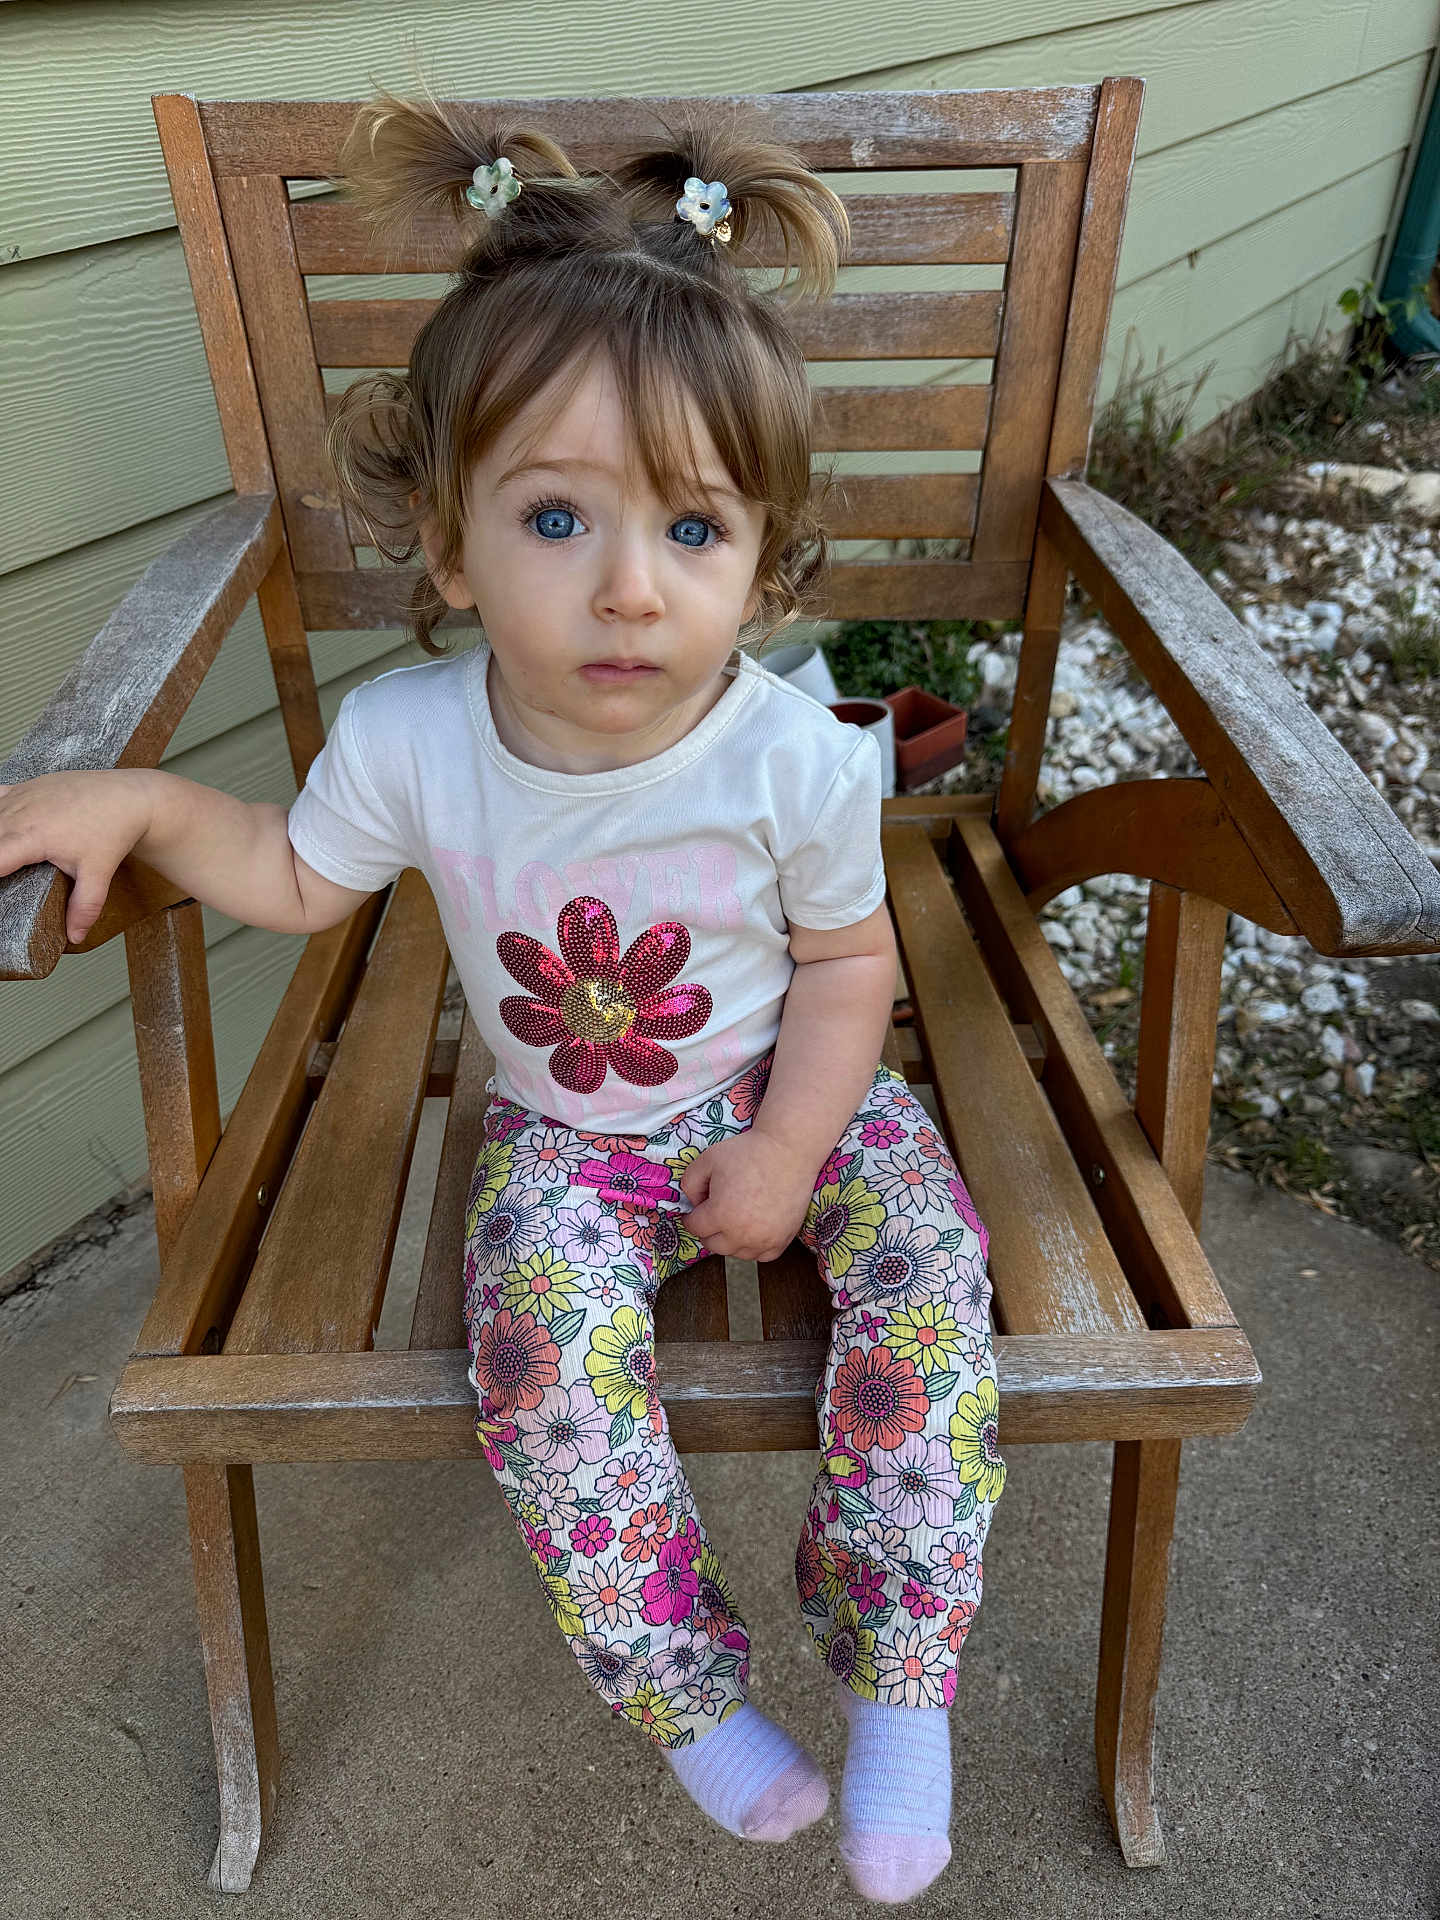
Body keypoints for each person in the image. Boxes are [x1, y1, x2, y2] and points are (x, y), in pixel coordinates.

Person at [0, 82, 1007, 1905]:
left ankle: (904, 1682)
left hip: (796, 1088)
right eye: (557, 522)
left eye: (692, 533)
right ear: (452, 548)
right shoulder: (409, 741)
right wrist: (146, 802)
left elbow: (855, 967)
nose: (629, 591)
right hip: (570, 1133)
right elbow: (299, 884)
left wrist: (789, 1152)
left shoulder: (795, 756)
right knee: (536, 1372)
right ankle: (690, 1699)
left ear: (763, 564)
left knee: (937, 1293)